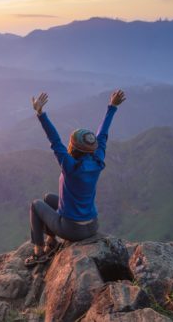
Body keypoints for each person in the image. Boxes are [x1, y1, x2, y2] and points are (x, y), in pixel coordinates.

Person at [24, 90, 126, 267]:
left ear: (72, 147)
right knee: (48, 198)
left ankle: (38, 253)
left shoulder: (70, 166)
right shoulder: (97, 161)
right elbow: (102, 136)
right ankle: (51, 242)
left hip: (72, 229)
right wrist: (112, 107)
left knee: (36, 204)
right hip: (92, 225)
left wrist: (40, 113)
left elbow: (54, 139)